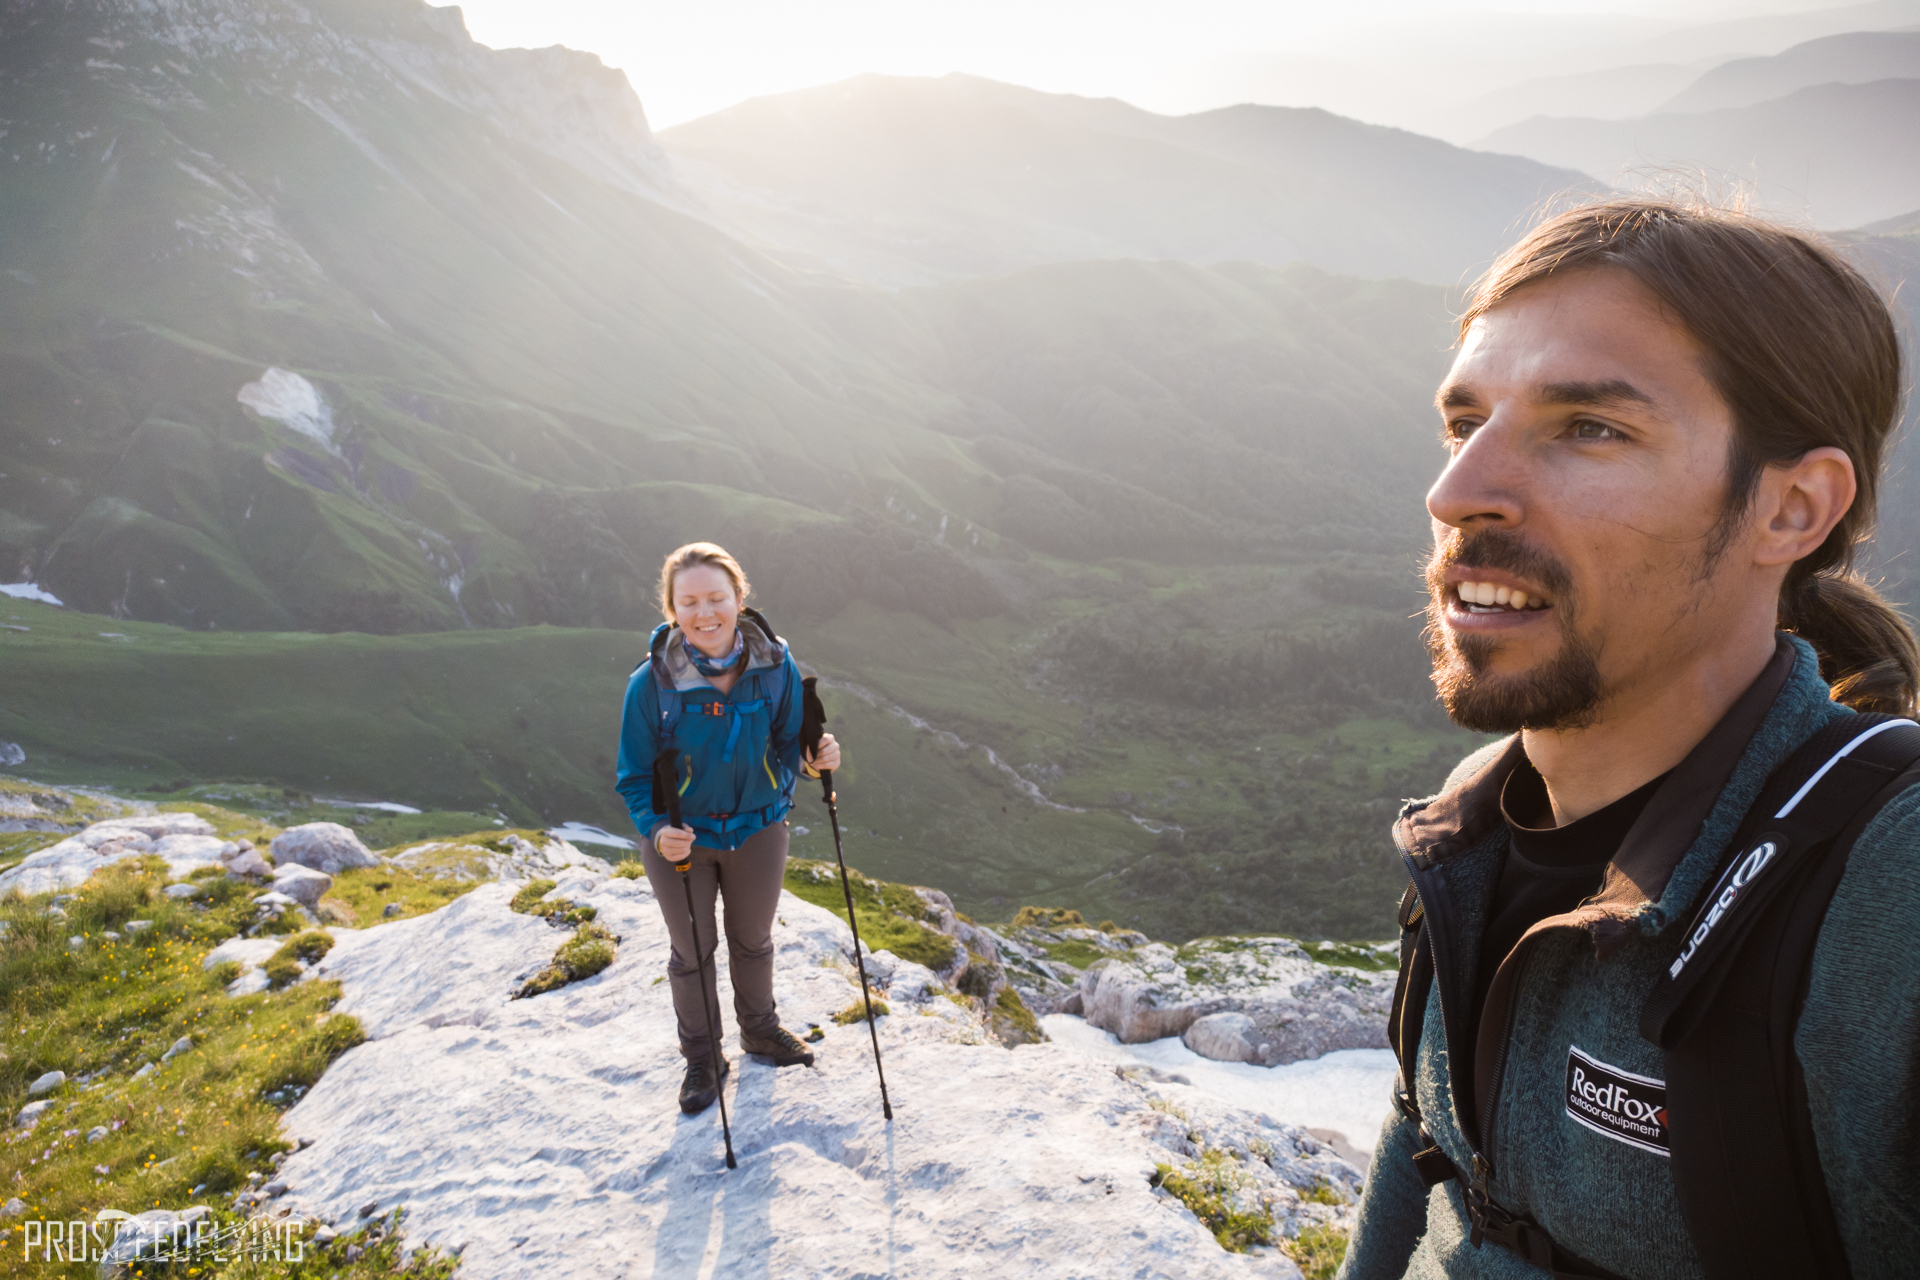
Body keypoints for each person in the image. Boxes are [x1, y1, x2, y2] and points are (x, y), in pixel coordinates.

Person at [1338, 200, 1920, 1279]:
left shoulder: (1890, 911)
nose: (1455, 490)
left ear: (1792, 509)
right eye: (1465, 424)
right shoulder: (1470, 821)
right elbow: (1421, 1164)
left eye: (1590, 428)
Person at [615, 541, 840, 1116]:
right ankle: (702, 1058)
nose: (705, 612)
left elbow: (791, 741)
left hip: (759, 830)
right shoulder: (651, 685)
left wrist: (818, 757)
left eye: (717, 597)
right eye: (688, 602)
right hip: (682, 840)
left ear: (740, 598)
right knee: (692, 953)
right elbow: (634, 777)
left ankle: (759, 1031)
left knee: (753, 941)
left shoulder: (775, 665)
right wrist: (657, 827)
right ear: (670, 609)